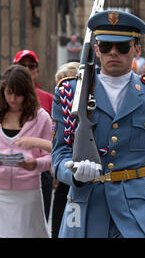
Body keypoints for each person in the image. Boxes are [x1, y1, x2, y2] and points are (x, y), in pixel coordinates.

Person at [51, 10, 145, 238]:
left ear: (136, 50)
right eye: (106, 46)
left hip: (135, 206)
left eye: (122, 47)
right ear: (96, 49)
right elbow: (60, 152)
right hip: (85, 203)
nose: (113, 52)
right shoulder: (70, 91)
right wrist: (71, 171)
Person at [0, 65, 52, 238]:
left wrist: (35, 164)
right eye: (9, 92)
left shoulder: (41, 117)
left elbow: (54, 154)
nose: (13, 98)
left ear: (27, 93)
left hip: (29, 194)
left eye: (18, 94)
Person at [13, 49, 54, 222]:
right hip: (9, 167)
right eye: (23, 66)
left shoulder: (49, 99)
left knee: (38, 222)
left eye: (32, 66)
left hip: (39, 169)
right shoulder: (5, 100)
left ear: (37, 70)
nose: (28, 70)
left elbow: (57, 137)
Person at [50, 61, 79, 238]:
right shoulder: (59, 109)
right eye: (59, 83)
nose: (64, 90)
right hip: (65, 182)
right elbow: (57, 145)